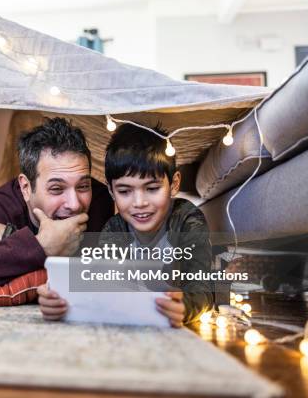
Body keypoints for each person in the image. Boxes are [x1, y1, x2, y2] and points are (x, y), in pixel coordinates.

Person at [37, 123, 214, 327]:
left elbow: (203, 288)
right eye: (124, 191)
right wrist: (60, 300)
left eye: (152, 188)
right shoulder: (114, 228)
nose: (139, 203)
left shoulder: (188, 220)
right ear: (112, 192)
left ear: (174, 184)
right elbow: (101, 283)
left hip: (169, 316)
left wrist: (185, 306)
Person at [0, 117, 113, 303]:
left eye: (83, 186)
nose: (74, 204)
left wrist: (7, 237)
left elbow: (94, 274)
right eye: (56, 189)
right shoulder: (0, 204)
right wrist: (40, 245)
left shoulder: (99, 199)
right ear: (25, 187)